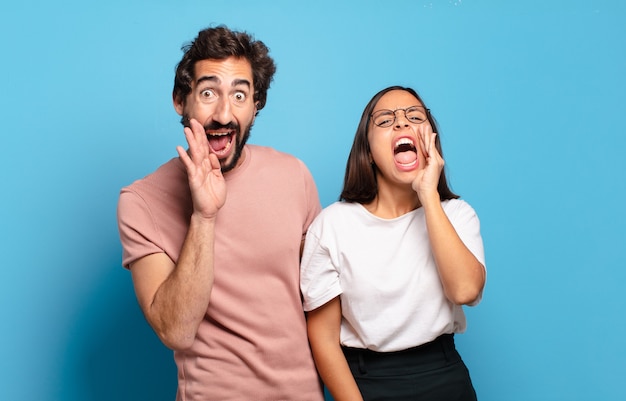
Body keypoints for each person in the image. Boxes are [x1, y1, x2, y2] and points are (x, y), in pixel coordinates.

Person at [116, 25, 324, 400]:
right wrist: (204, 214)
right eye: (209, 92)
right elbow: (175, 331)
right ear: (181, 100)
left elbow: (323, 304)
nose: (224, 114)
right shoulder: (140, 200)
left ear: (256, 106)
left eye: (240, 95)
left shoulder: (294, 175)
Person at [300, 85, 486, 401]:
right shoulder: (332, 226)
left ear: (431, 141)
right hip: (366, 383)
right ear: (368, 151)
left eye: (414, 116)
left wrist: (428, 195)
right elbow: (323, 339)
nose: (401, 123)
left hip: (443, 375)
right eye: (385, 120)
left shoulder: (456, 214)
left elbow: (466, 291)